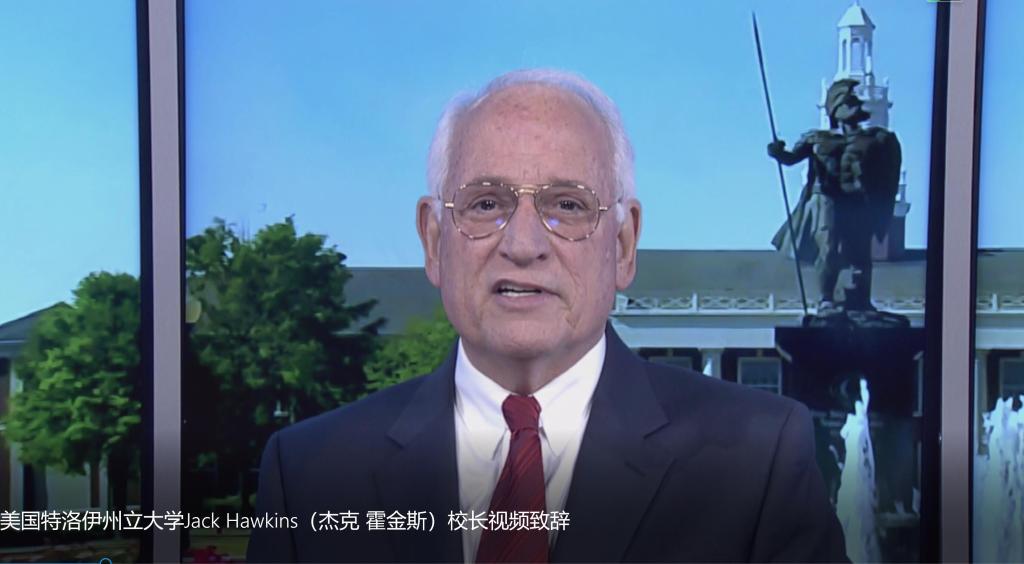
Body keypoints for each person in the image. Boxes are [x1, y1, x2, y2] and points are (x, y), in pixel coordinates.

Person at [247, 69, 849, 563]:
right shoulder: (308, 474)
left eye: (568, 205)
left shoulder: (758, 462)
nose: (524, 244)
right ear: (434, 240)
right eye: (486, 203)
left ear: (623, 246)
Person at [767, 79, 902, 317]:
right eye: (847, 101)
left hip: (856, 201)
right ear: (834, 110)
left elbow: (886, 172)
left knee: (860, 253)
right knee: (828, 248)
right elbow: (789, 159)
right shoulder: (817, 139)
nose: (854, 104)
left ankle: (861, 299)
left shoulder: (876, 140)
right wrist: (777, 152)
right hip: (826, 198)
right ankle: (826, 299)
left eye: (855, 100)